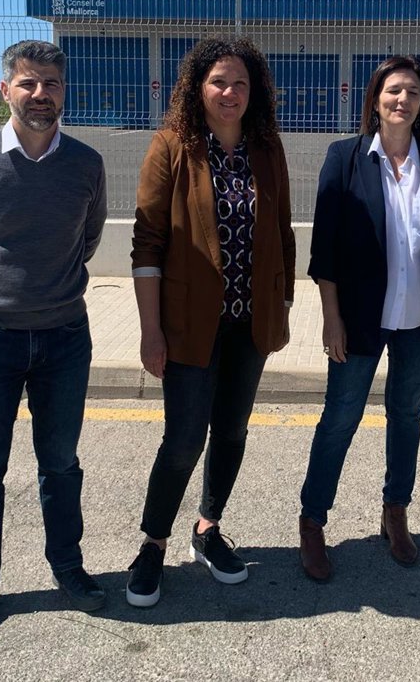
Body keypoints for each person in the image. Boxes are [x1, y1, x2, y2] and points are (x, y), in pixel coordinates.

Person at [0, 40, 108, 644]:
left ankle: (68, 568)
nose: (40, 95)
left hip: (65, 337)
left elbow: (87, 240)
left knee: (61, 464)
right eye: (28, 83)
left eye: (51, 84)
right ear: (5, 90)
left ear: (64, 91)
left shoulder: (86, 165)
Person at [126, 36, 294, 607]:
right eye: (219, 81)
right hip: (187, 326)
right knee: (183, 440)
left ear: (254, 92)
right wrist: (151, 329)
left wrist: (282, 307)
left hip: (250, 325)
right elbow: (147, 244)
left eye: (240, 83)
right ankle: (153, 543)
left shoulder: (267, 149)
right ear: (197, 87)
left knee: (232, 431)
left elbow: (283, 233)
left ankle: (207, 528)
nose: (230, 92)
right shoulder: (173, 146)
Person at [297, 55, 420, 582]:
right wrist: (331, 318)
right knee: (340, 417)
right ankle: (313, 520)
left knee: (407, 415)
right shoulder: (345, 158)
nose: (403, 100)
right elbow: (325, 248)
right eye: (394, 90)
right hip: (359, 317)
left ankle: (395, 511)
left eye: (413, 92)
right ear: (375, 99)